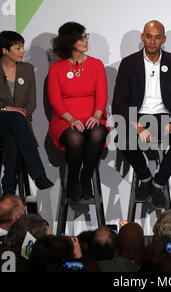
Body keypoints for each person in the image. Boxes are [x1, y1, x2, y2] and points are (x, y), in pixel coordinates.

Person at [112, 20, 171, 209]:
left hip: (165, 116)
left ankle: (157, 183)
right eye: (149, 36)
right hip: (137, 116)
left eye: (157, 37)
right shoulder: (129, 63)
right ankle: (146, 177)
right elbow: (119, 102)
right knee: (123, 138)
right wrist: (136, 126)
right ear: (142, 37)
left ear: (163, 39)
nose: (152, 41)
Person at [0, 31, 54, 195]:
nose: (23, 51)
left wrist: (24, 111)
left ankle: (8, 190)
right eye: (18, 48)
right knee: (14, 119)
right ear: (5, 50)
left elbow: (32, 102)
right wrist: (5, 109)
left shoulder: (27, 69)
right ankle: (38, 173)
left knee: (13, 135)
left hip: (19, 125)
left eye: (23, 47)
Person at [48, 22, 109, 202]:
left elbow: (102, 94)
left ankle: (86, 177)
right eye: (81, 38)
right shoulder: (56, 68)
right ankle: (73, 179)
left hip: (93, 116)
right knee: (76, 139)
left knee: (98, 133)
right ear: (70, 41)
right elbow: (55, 100)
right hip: (65, 120)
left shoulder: (96, 65)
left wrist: (97, 115)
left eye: (85, 36)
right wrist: (71, 119)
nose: (85, 41)